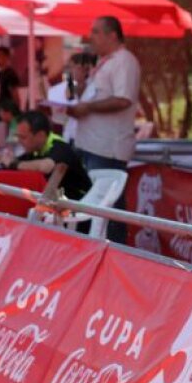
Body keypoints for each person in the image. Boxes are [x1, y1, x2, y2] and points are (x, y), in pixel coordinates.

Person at [69, 16, 142, 244]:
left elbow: (123, 100)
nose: (92, 37)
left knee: (109, 210)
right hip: (91, 145)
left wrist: (87, 107)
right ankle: (92, 247)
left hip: (108, 148)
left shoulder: (124, 61)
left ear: (113, 35)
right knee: (92, 205)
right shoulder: (104, 62)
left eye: (97, 32)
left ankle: (115, 253)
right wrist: (79, 91)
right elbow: (96, 97)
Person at [10, 109, 92, 200]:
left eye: (23, 137)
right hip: (58, 202)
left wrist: (14, 164)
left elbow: (46, 166)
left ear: (40, 135)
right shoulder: (36, 149)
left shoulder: (60, 147)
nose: (19, 141)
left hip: (80, 204)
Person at [45, 51, 97, 146]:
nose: (73, 71)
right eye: (71, 67)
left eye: (77, 68)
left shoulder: (94, 87)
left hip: (90, 137)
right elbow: (67, 100)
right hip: (70, 135)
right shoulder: (59, 88)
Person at [0, 46, 22, 111]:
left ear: (6, 57)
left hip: (7, 110)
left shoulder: (10, 74)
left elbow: (15, 94)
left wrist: (16, 111)